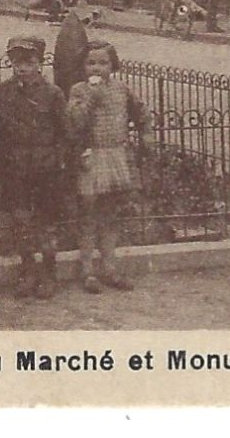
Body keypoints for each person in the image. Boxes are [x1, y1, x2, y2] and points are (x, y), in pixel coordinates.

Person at [0, 34, 68, 299]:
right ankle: (27, 271)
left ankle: (48, 273)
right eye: (16, 61)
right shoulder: (2, 92)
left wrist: (57, 161)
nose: (22, 67)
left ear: (40, 63)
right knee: (21, 221)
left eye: (28, 61)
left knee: (46, 223)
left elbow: (64, 133)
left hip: (46, 169)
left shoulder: (53, 94)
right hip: (15, 169)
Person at [68, 39, 146, 293]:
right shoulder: (79, 91)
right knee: (88, 213)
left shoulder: (121, 89)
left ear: (113, 65)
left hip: (115, 156)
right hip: (92, 157)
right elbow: (75, 122)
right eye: (91, 63)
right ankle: (88, 270)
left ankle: (110, 268)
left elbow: (140, 111)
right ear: (83, 67)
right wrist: (91, 97)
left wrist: (147, 133)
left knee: (110, 215)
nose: (96, 68)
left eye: (103, 63)